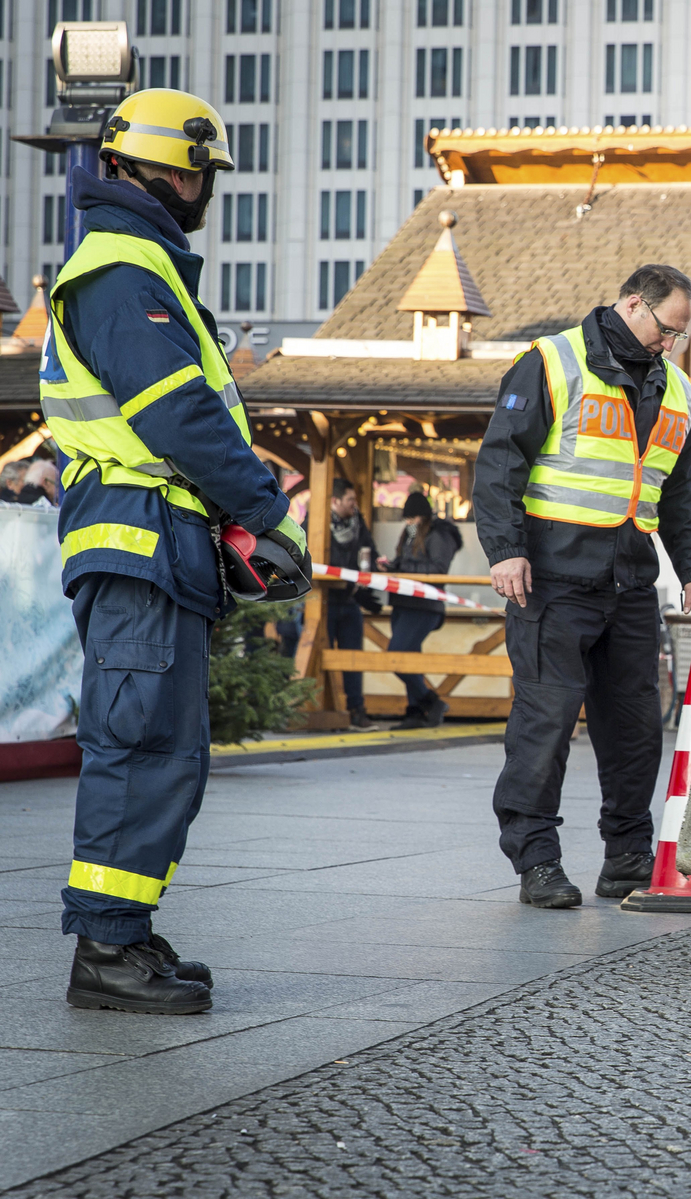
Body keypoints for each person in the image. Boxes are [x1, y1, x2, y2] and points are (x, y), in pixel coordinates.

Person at [38, 89, 309, 1014]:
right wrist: (265, 506)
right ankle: (104, 952)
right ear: (141, 168)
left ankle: (126, 933)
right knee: (141, 742)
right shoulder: (120, 270)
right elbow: (177, 414)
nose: (201, 187)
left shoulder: (140, 264)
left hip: (154, 540)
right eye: (191, 169)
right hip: (136, 536)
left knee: (164, 748)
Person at [473, 263, 691, 908]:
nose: (671, 344)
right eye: (668, 329)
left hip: (630, 580)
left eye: (679, 336)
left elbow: (681, 493)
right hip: (549, 577)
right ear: (634, 304)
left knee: (634, 725)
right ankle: (537, 861)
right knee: (546, 721)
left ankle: (628, 857)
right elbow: (501, 462)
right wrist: (504, 551)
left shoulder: (678, 391)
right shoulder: (553, 361)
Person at [382, 491, 462, 728]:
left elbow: (438, 568)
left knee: (396, 656)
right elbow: (413, 562)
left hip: (424, 605)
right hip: (403, 603)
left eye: (411, 518)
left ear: (421, 516)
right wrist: (393, 566)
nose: (408, 523)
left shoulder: (439, 534)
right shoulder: (412, 534)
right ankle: (415, 711)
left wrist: (400, 566)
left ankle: (431, 701)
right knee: (408, 658)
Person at [310, 478, 380, 728]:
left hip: (350, 601)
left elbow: (370, 551)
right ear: (334, 501)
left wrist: (367, 574)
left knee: (353, 658)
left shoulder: (358, 523)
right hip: (323, 601)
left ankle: (356, 709)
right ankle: (316, 707)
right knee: (319, 656)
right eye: (350, 500)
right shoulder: (315, 522)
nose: (354, 505)